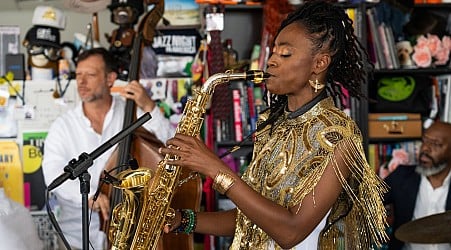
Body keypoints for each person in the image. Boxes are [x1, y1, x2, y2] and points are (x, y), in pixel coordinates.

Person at [160, 1, 388, 249]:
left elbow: (290, 232)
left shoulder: (338, 137)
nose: (271, 61)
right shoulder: (271, 125)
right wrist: (183, 220)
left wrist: (215, 168)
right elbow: (254, 218)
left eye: (286, 54)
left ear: (319, 64)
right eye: (274, 51)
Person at [41, 47, 174, 249]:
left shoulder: (132, 113)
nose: (81, 82)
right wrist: (89, 195)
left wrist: (149, 107)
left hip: (130, 235)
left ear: (110, 79)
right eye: (78, 74)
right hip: (76, 239)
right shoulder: (63, 126)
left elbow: (171, 144)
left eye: (91, 75)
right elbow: (52, 174)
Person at [383, 121, 451, 250]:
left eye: (436, 144)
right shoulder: (401, 177)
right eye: (424, 141)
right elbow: (366, 201)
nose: (425, 148)